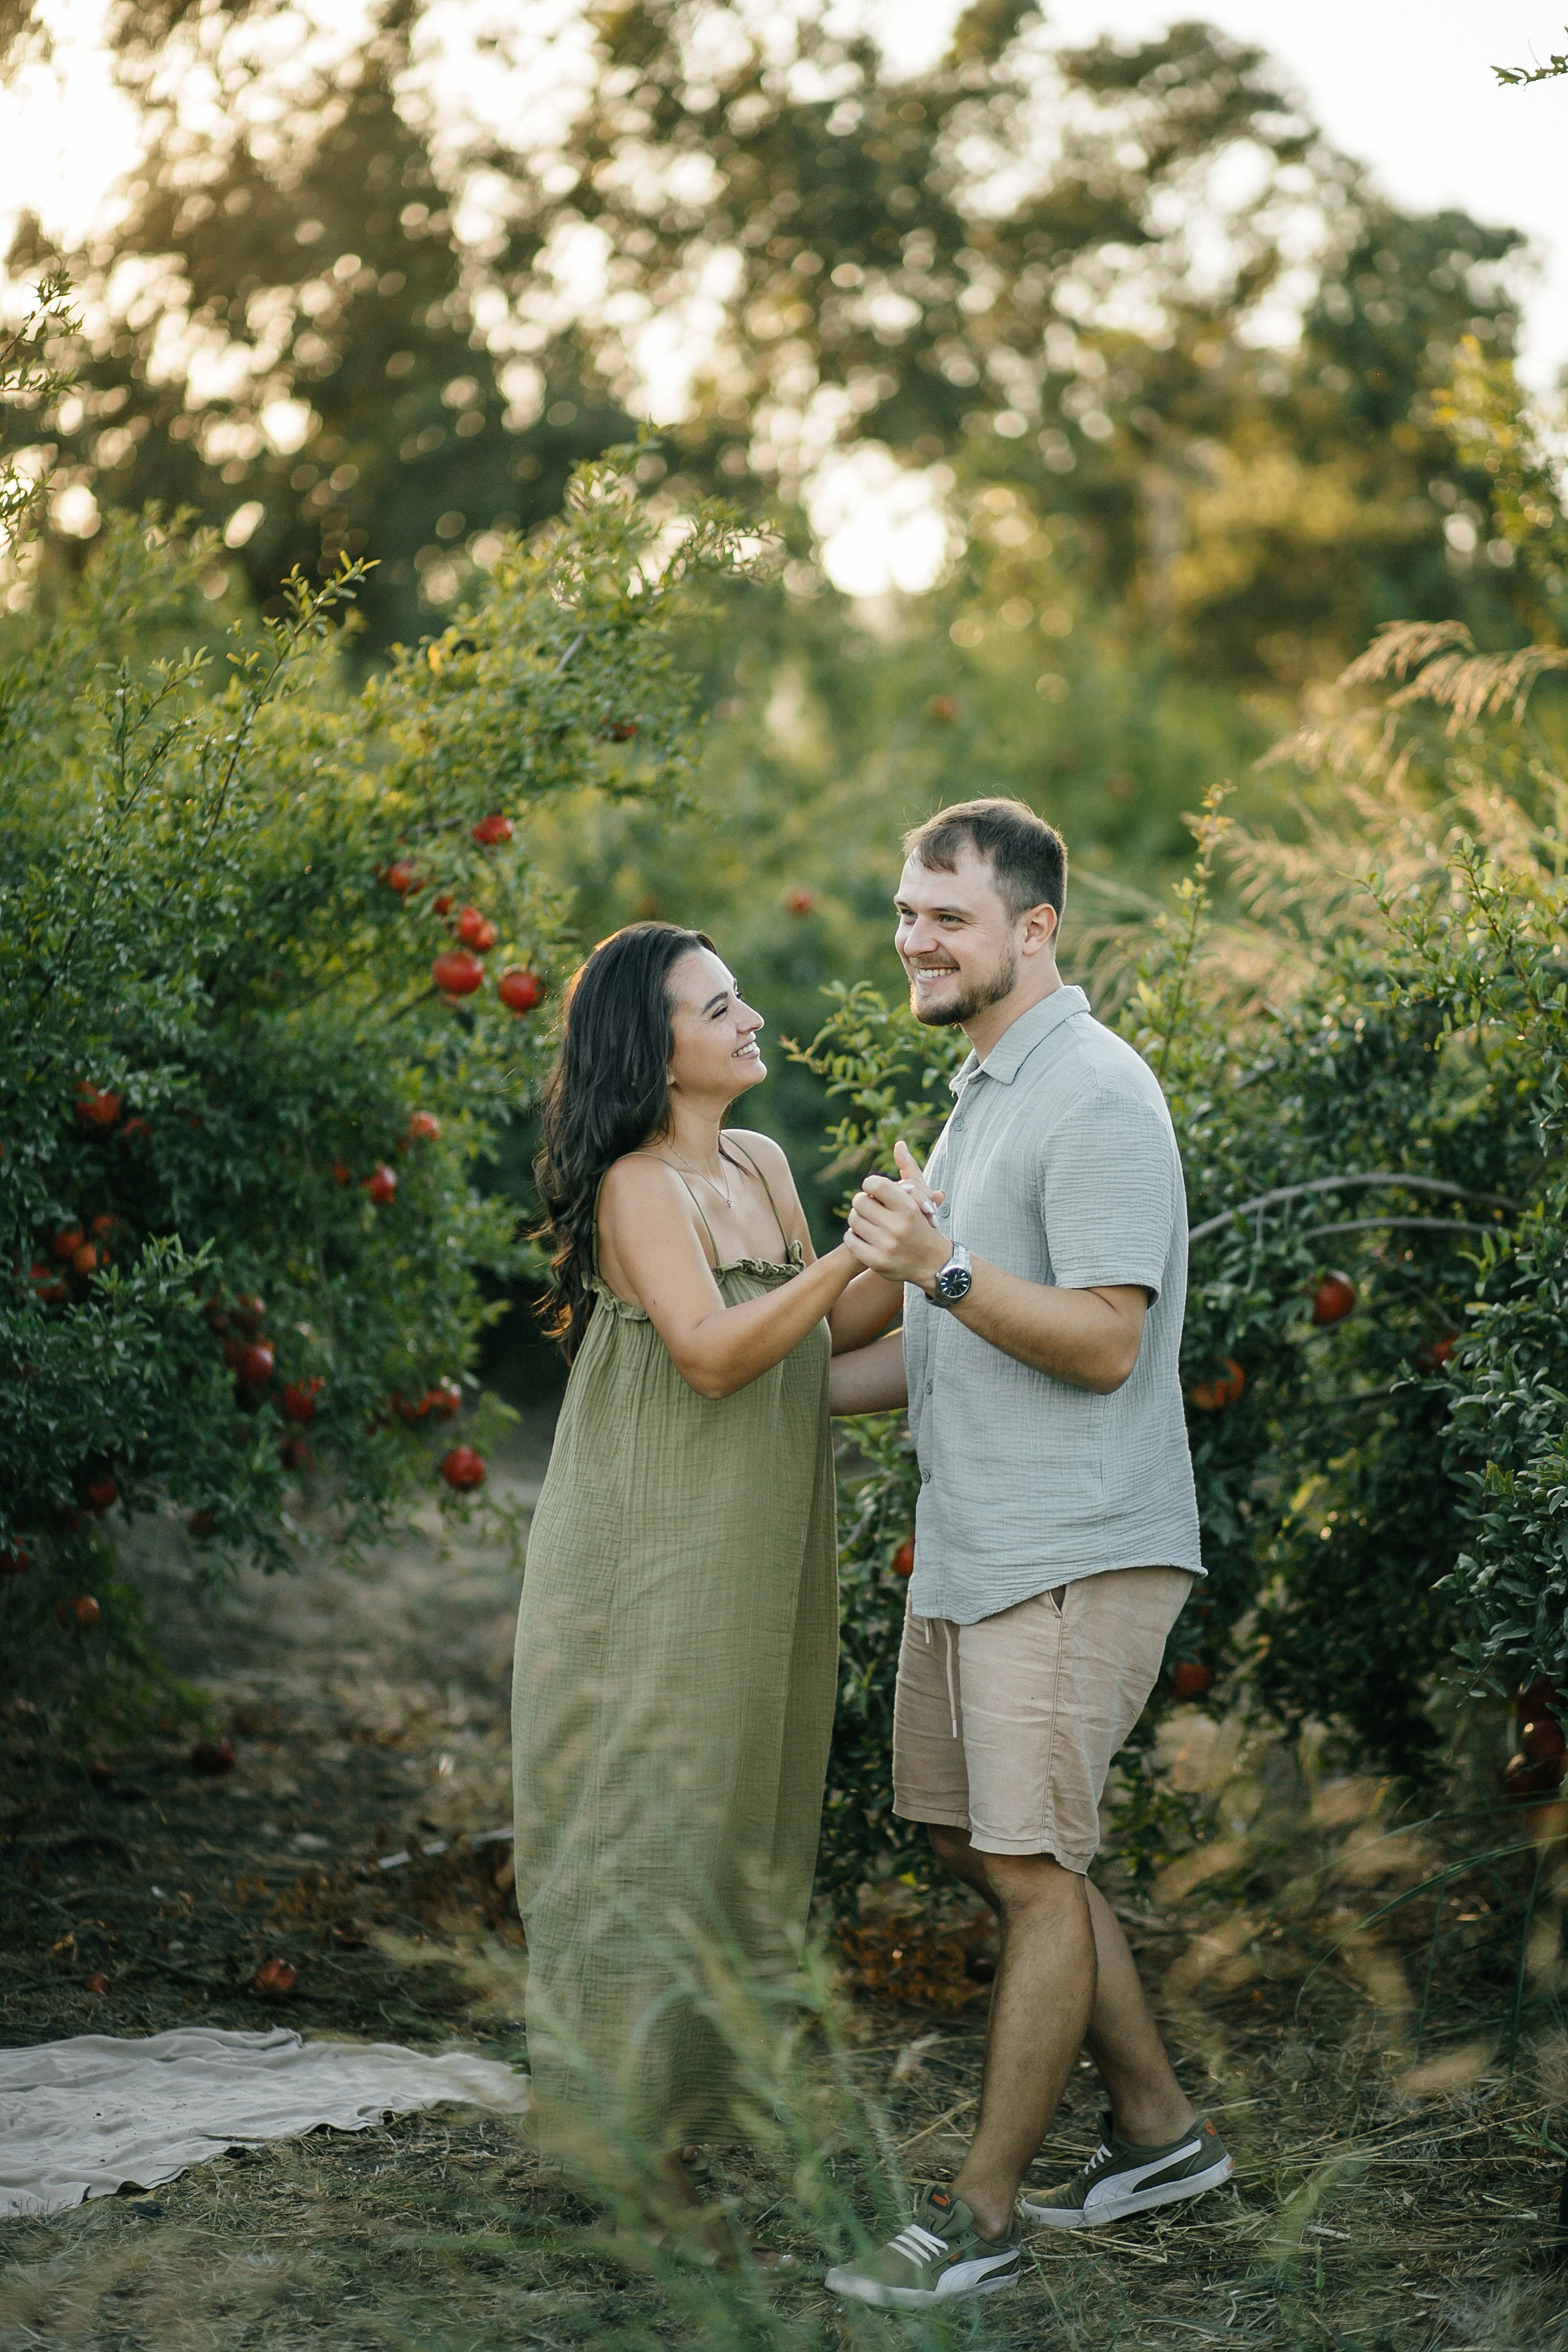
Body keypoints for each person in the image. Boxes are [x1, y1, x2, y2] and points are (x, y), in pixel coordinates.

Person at [823, 798, 1228, 2310]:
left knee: (1029, 1865)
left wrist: (941, 1263)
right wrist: (750, 1399)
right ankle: (1158, 2134)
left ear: (1033, 929)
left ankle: (977, 2218)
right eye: (907, 911)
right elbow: (942, 1349)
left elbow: (1106, 1344)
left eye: (945, 917)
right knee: (974, 1843)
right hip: (977, 1546)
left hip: (1074, 1548)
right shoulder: (982, 1088)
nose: (912, 940)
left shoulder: (1097, 1096)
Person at [511, 921, 895, 2237]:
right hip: (647, 1548)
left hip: (753, 1543)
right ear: (654, 1049)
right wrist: (857, 1253)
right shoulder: (635, 1188)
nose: (749, 1021)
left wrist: (916, 1244)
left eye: (739, 1000)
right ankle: (624, 2153)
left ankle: (676, 2112)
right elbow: (714, 1355)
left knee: (738, 1820)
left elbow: (825, 1337)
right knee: (645, 1829)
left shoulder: (762, 1161)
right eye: (716, 1007)